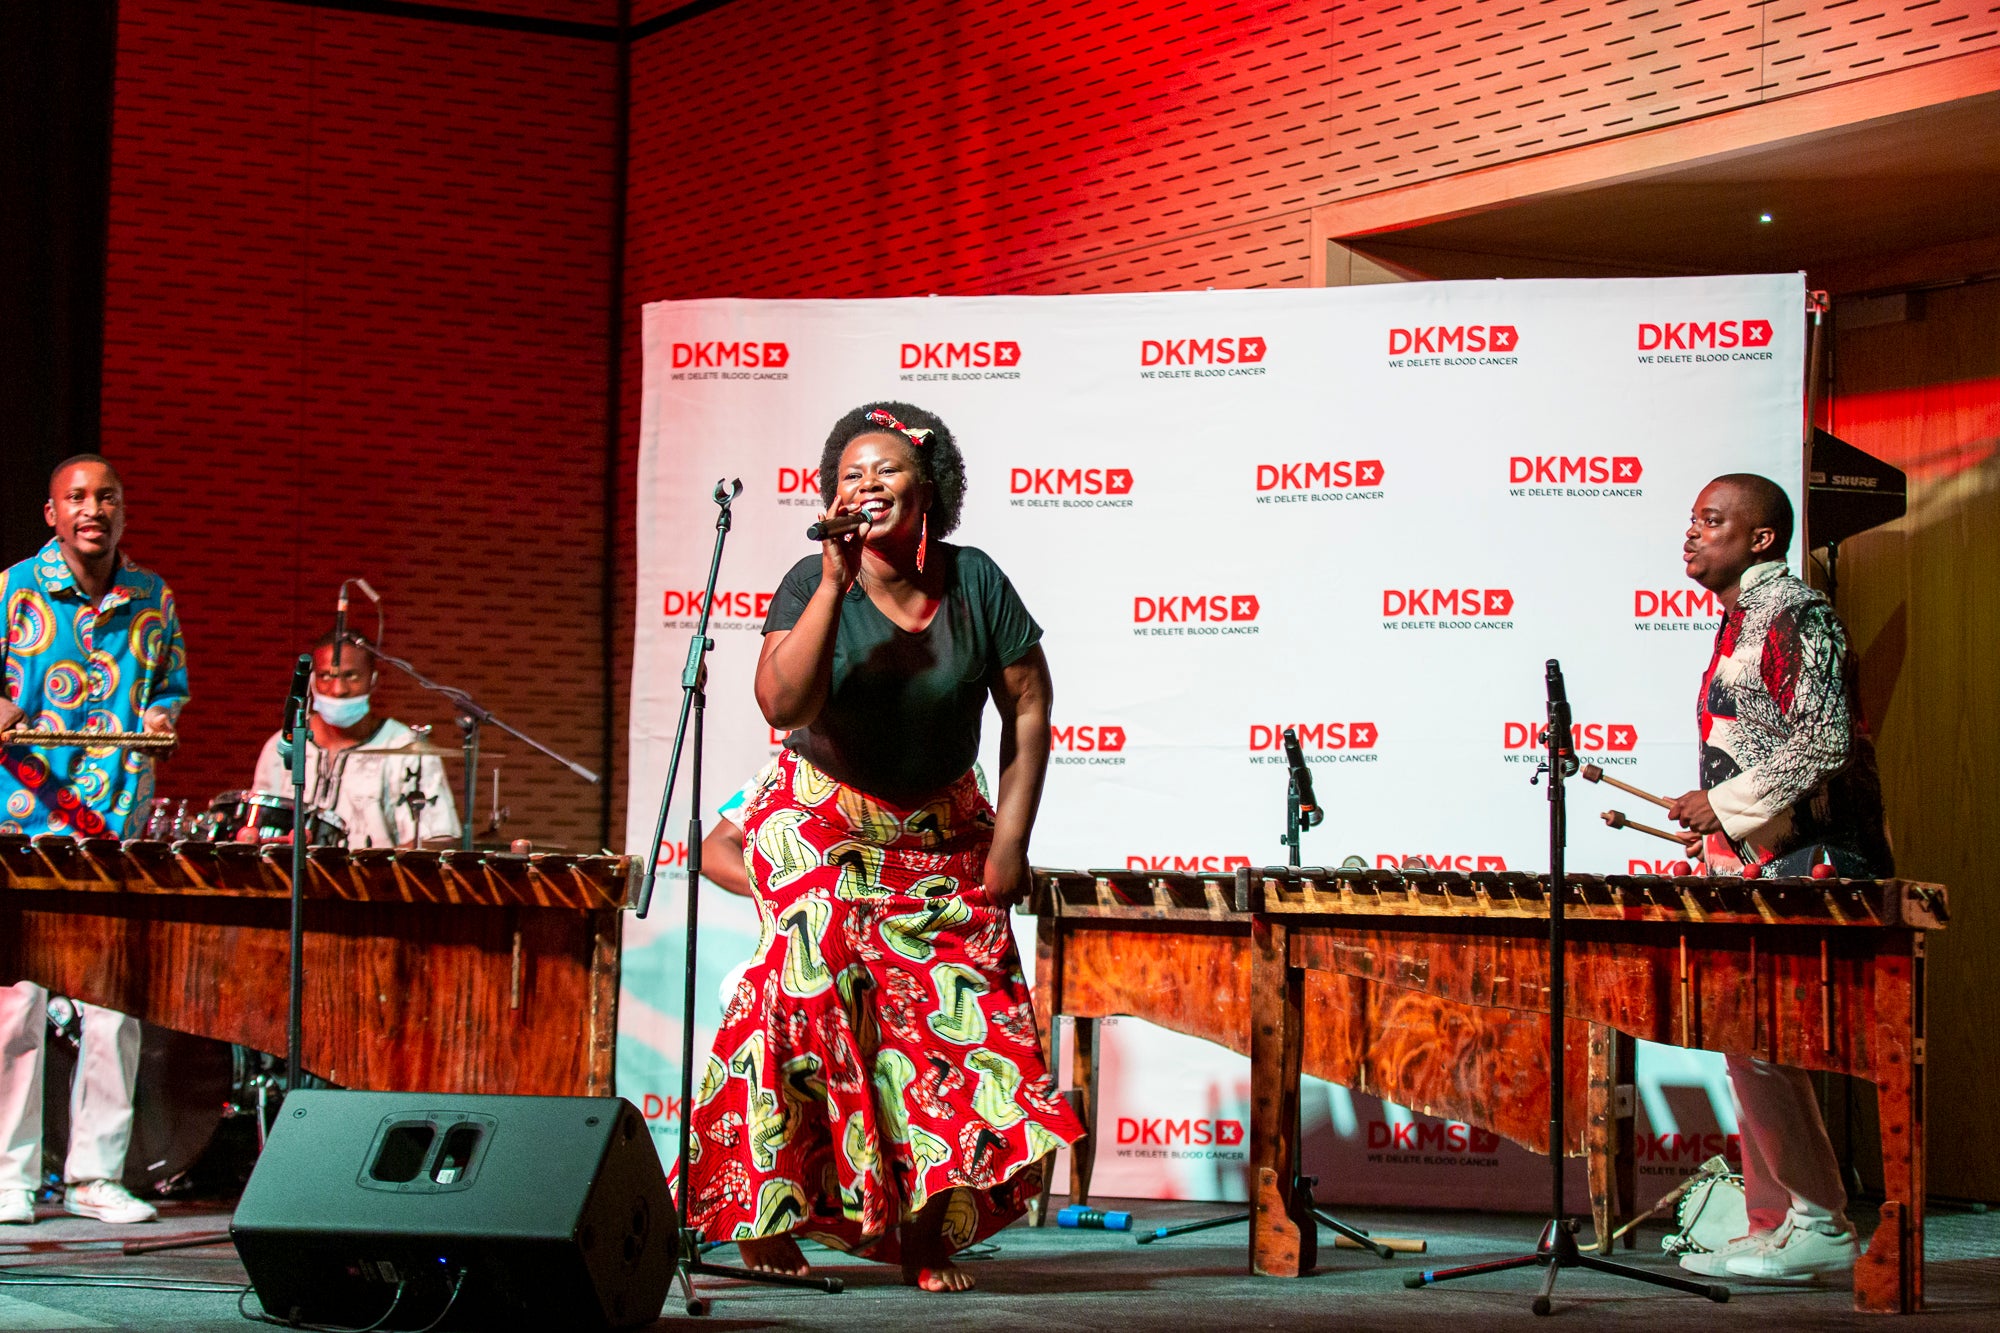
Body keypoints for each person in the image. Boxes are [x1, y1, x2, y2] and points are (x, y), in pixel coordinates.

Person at [679, 403, 1082, 1293]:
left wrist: (1010, 841)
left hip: (938, 829)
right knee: (804, 976)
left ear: (930, 488)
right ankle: (762, 1212)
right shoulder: (808, 580)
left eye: (887, 470)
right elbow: (783, 710)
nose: (867, 485)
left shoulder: (976, 582)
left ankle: (924, 1235)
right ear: (831, 494)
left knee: (955, 1023)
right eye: (851, 473)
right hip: (825, 814)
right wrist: (831, 581)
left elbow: (1028, 708)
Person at [1667, 472, 1888, 1284]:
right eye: (1691, 519)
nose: (1692, 533)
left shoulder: (1798, 613)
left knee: (1760, 1041)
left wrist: (1721, 803)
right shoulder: (1740, 623)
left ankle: (1819, 1219)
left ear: (1762, 539)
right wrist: (1721, 835)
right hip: (1767, 867)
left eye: (1713, 520)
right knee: (1750, 1040)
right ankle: (1800, 1217)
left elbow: (1828, 740)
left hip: (1821, 869)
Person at [0, 454, 189, 1226]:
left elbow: (170, 685)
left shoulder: (153, 598)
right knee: (18, 1003)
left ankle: (95, 1174)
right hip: (24, 823)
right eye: (76, 497)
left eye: (105, 496)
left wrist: (161, 720)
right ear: (52, 512)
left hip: (117, 824)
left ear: (122, 510)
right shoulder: (11, 589)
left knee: (116, 1003)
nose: (92, 508)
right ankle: (10, 1174)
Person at [248, 630, 460, 849]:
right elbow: (257, 829)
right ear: (312, 681)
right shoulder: (283, 745)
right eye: (326, 676)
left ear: (373, 680)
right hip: (290, 880)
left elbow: (437, 839)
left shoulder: (405, 749)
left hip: (373, 880)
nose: (338, 690)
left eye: (351, 676)